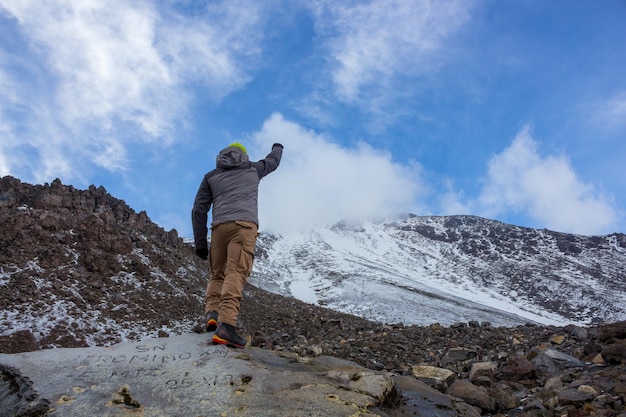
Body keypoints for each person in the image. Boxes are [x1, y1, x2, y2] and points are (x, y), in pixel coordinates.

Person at [191, 142, 283, 348]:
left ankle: (212, 314)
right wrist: (278, 147)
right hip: (243, 226)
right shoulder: (253, 168)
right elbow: (273, 162)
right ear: (243, 155)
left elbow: (199, 209)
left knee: (217, 274)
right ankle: (227, 325)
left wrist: (200, 243)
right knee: (236, 272)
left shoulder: (211, 176)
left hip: (219, 229)